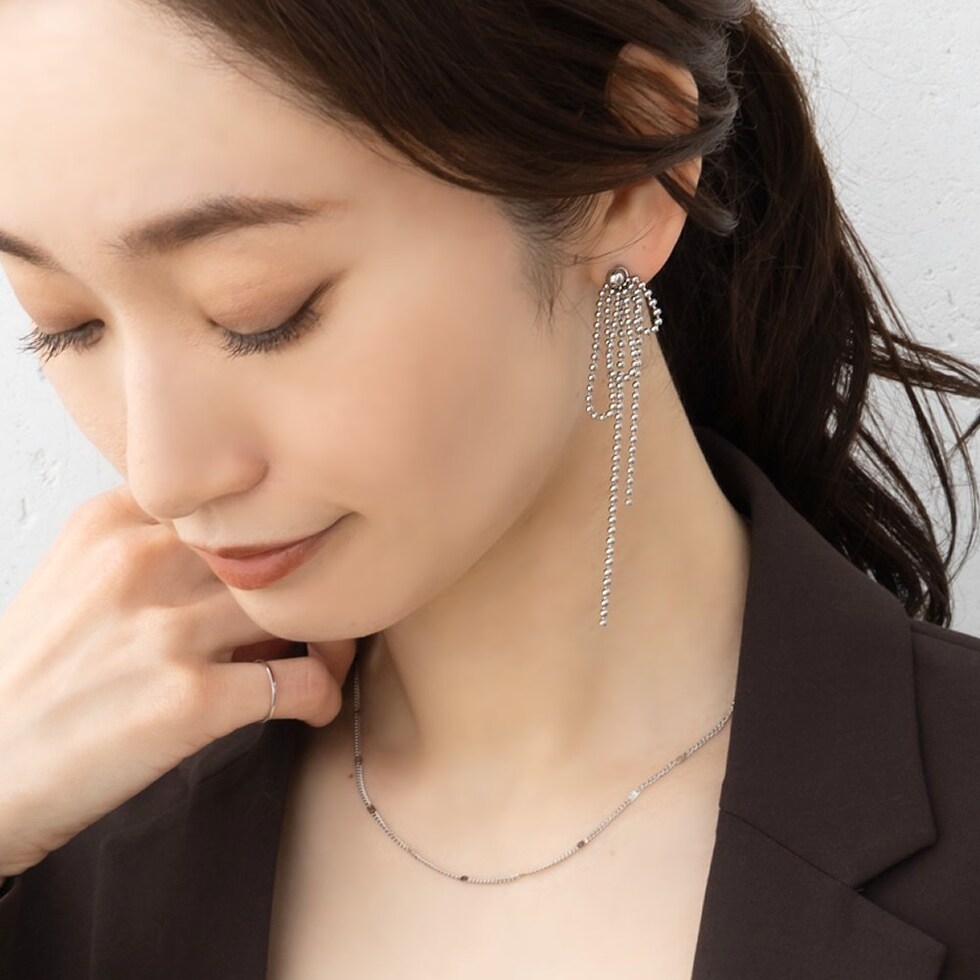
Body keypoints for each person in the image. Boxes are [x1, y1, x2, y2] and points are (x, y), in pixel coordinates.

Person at [0, 0, 978, 976]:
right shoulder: (59, 828)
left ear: (620, 182)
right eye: (65, 324)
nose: (164, 474)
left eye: (259, 310)